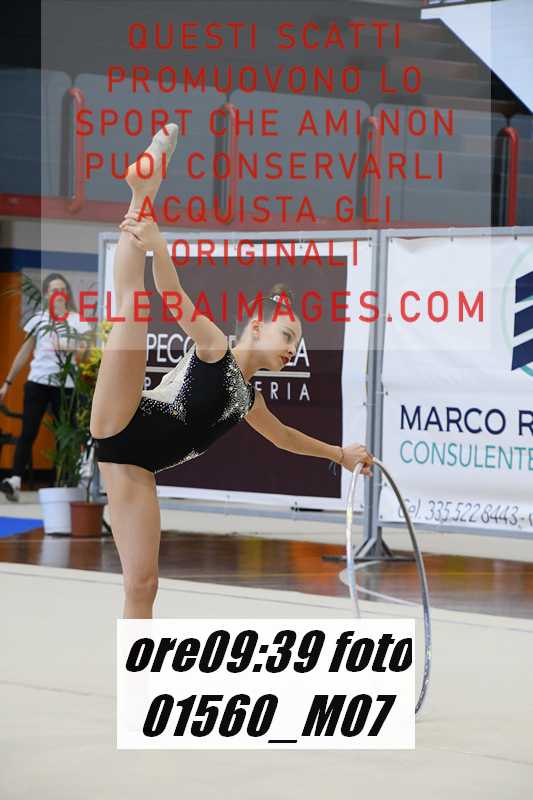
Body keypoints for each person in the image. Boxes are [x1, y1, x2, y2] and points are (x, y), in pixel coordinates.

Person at [89, 124, 373, 619]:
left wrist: (340, 455)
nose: (292, 348)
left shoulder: (245, 399)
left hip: (135, 466)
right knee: (134, 305)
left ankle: (134, 671)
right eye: (287, 335)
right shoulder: (216, 348)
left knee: (143, 584)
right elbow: (173, 296)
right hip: (125, 418)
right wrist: (158, 246)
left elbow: (284, 438)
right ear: (256, 327)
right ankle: (143, 190)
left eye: (297, 343)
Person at [0, 273, 91, 501]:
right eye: (53, 290)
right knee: (28, 431)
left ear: (67, 293)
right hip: (38, 382)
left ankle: (63, 483)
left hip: (66, 385)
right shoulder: (39, 319)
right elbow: (24, 352)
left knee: (65, 434)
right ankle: (15, 481)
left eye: (62, 289)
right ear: (46, 294)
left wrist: (68, 346)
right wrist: (7, 383)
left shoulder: (77, 320)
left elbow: (86, 353)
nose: (58, 294)